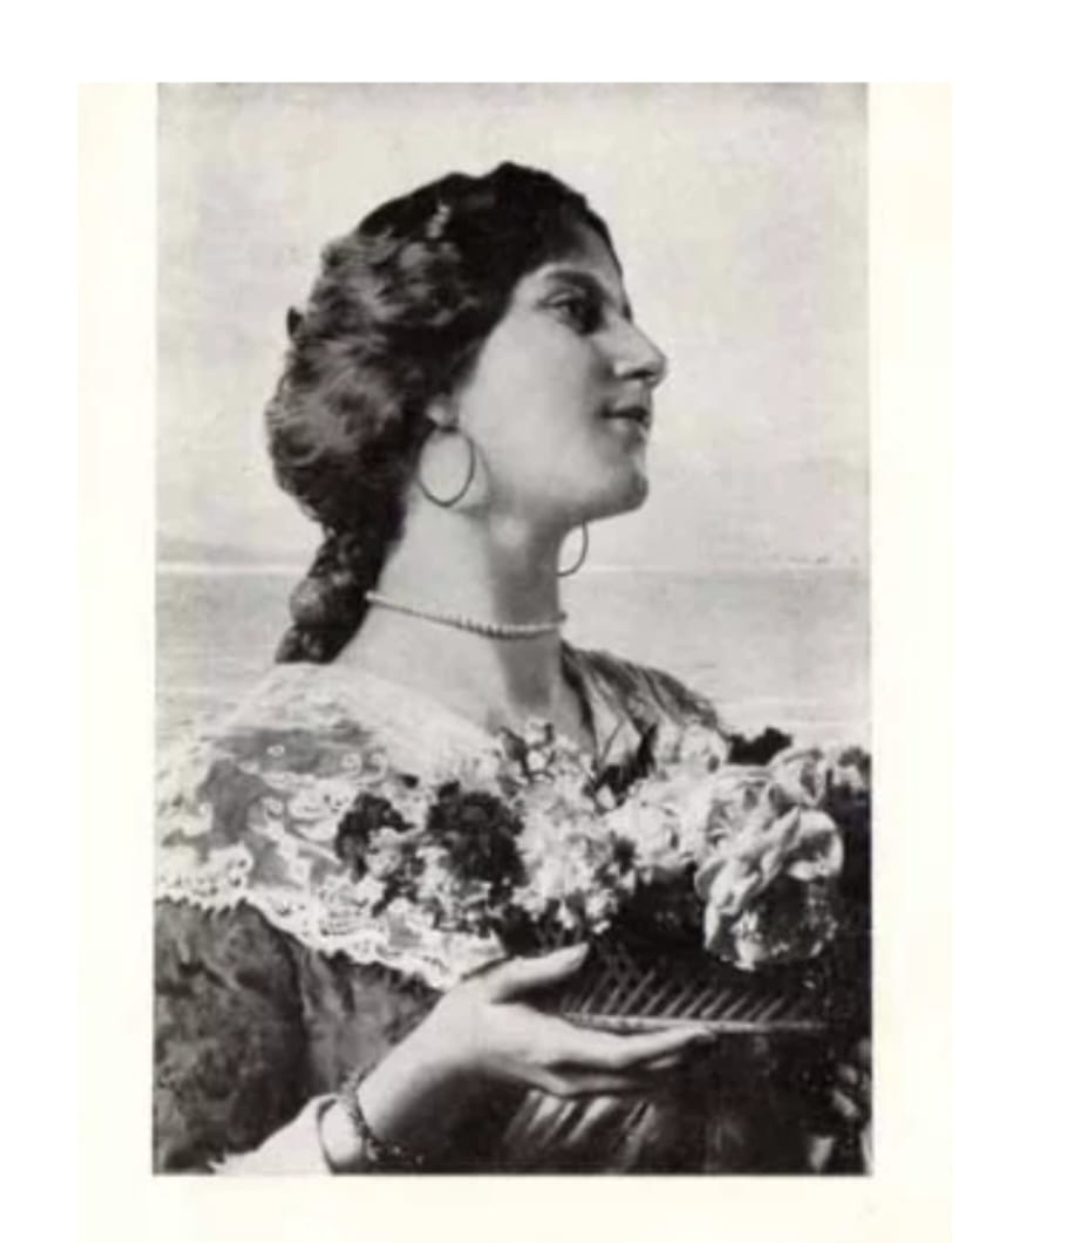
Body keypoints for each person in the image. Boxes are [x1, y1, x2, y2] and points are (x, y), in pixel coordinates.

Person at [155, 163, 870, 1175]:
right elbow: (151, 1241)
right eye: (576, 310)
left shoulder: (678, 730)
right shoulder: (235, 798)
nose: (648, 356)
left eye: (627, 315)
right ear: (434, 387)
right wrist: (423, 1080)